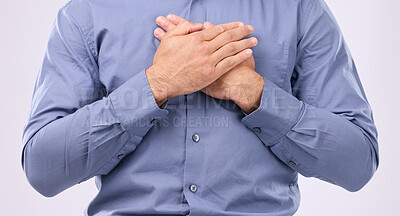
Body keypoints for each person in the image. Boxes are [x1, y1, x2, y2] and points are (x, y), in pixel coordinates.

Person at [21, 0, 379, 215]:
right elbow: (43, 169)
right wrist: (157, 84)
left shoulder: (299, 8)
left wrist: (255, 93)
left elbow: (357, 162)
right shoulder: (86, 11)